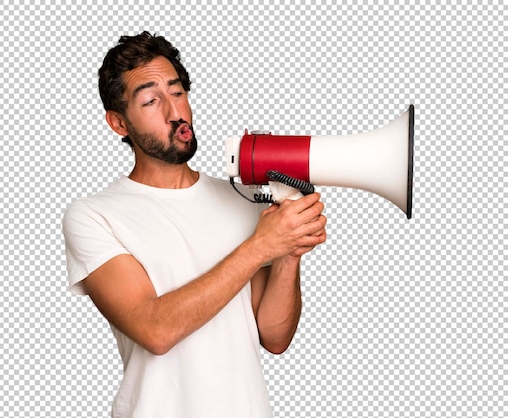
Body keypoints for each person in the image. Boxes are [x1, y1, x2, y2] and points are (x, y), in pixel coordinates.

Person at [62, 31, 327, 418]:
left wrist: (288, 250)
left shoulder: (244, 199)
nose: (175, 112)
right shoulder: (95, 215)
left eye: (178, 91)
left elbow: (274, 336)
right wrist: (260, 246)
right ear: (118, 123)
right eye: (151, 100)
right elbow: (155, 330)